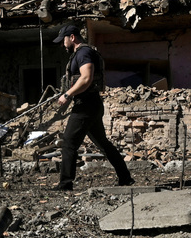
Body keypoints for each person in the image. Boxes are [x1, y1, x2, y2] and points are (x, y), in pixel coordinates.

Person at [52, 23, 134, 190]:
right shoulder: (80, 53)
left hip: (86, 106)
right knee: (103, 143)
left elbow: (86, 78)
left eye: (63, 41)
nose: (62, 44)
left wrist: (68, 94)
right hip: (91, 104)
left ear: (72, 37)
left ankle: (65, 184)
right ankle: (125, 178)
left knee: (68, 143)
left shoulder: (84, 53)